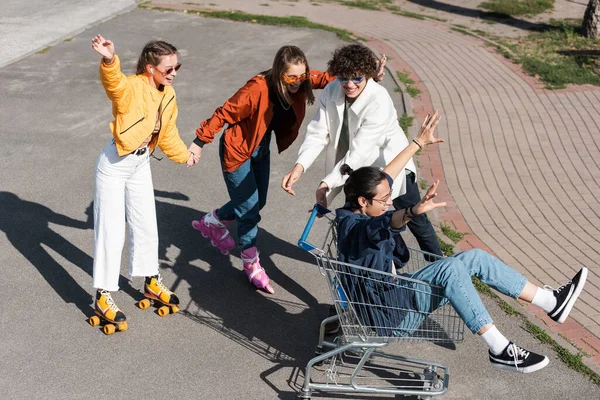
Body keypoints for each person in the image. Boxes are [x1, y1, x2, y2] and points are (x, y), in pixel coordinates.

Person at [335, 111, 588, 373]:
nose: (388, 203)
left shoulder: (359, 203)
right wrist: (412, 211)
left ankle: (550, 302)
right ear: (363, 202)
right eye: (384, 200)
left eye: (389, 198)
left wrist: (418, 143)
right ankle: (499, 348)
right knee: (450, 269)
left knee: (474, 257)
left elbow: (386, 177)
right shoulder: (357, 229)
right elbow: (384, 223)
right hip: (392, 313)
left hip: (397, 294)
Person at [186, 45, 345, 295]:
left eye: (300, 76)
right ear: (279, 72)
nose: (296, 82)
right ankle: (250, 262)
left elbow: (325, 78)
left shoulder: (301, 80)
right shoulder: (257, 88)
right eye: (290, 77)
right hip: (237, 151)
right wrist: (198, 143)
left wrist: (366, 76)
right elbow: (224, 113)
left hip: (260, 149)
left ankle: (214, 220)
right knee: (249, 211)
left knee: (257, 202)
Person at [282, 43, 442, 257]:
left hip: (392, 166)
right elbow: (318, 132)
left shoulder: (379, 100)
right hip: (356, 172)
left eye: (357, 78)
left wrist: (327, 184)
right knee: (364, 225)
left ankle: (439, 267)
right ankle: (378, 269)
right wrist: (300, 166)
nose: (349, 84)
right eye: (343, 78)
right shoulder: (331, 91)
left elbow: (358, 154)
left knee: (417, 220)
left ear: (367, 75)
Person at [91, 35, 196, 326]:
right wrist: (110, 60)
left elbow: (168, 132)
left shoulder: (168, 93)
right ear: (150, 68)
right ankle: (102, 295)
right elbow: (114, 84)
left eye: (177, 67)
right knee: (111, 232)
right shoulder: (133, 88)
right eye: (168, 69)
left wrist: (183, 155)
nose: (174, 73)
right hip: (114, 164)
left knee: (146, 224)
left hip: (140, 163)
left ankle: (151, 280)